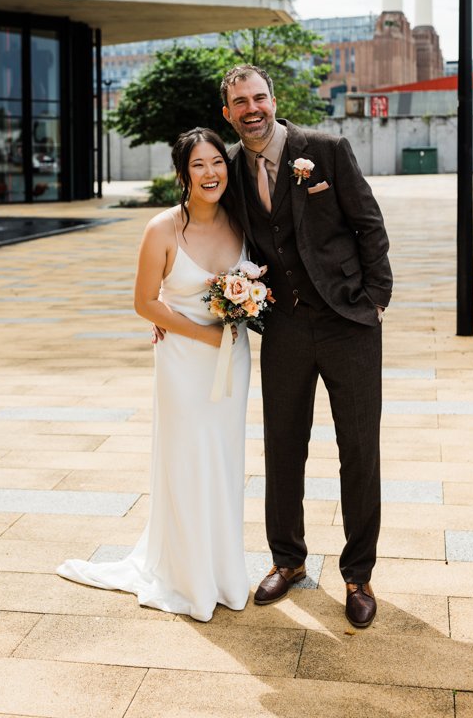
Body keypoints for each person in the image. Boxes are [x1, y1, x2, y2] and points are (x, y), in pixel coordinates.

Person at [221, 64, 393, 629]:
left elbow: (369, 224)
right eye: (240, 102)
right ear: (228, 113)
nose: (252, 108)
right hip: (287, 326)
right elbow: (199, 220)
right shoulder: (231, 167)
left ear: (275, 100)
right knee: (283, 445)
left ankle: (357, 575)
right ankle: (287, 560)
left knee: (359, 450)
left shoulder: (325, 148)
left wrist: (374, 299)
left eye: (259, 97)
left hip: (349, 321)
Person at [57, 128, 251, 622]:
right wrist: (201, 333)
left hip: (234, 361)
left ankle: (224, 571)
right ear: (183, 175)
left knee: (225, 460)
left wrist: (246, 310)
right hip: (185, 363)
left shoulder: (243, 222)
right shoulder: (162, 229)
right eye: (199, 166)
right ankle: (186, 578)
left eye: (217, 163)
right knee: (187, 459)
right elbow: (144, 301)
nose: (211, 173)